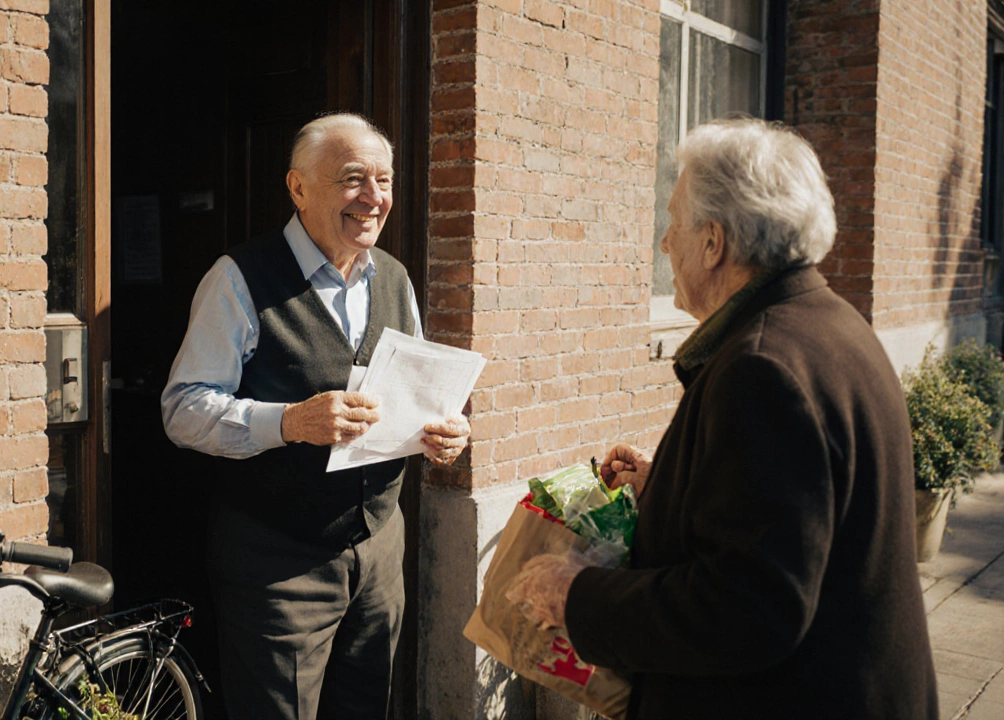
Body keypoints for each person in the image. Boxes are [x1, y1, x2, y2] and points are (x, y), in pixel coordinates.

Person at [507, 119, 938, 718]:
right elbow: (785, 512)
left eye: (674, 222)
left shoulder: (765, 367)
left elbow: (749, 606)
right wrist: (670, 485)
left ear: (714, 243)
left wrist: (577, 595)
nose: (664, 245)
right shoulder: (827, 323)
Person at [161, 112, 470, 720]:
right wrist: (289, 422)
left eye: (383, 180)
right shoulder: (238, 278)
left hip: (380, 550)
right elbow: (181, 408)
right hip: (278, 563)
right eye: (353, 179)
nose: (374, 198)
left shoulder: (396, 279)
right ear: (298, 188)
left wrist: (446, 429)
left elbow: (417, 394)